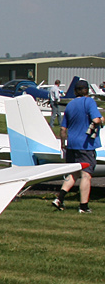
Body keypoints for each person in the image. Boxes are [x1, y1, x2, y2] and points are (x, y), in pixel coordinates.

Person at [53, 79, 102, 214]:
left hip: (72, 144)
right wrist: (101, 120)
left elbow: (63, 129)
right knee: (86, 176)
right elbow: (96, 120)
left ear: (75, 91)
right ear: (87, 91)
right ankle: (83, 206)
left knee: (73, 174)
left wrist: (63, 144)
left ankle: (60, 198)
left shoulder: (70, 105)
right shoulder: (90, 102)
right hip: (85, 145)